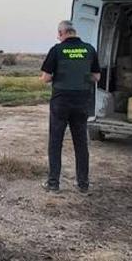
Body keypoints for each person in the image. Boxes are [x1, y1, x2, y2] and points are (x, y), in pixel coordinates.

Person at [40, 20, 100, 194]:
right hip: (81, 102)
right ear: (74, 32)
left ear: (62, 32)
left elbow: (45, 78)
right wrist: (80, 76)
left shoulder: (57, 50)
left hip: (60, 102)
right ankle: (83, 184)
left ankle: (53, 184)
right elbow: (96, 77)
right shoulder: (89, 49)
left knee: (55, 142)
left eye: (58, 34)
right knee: (81, 143)